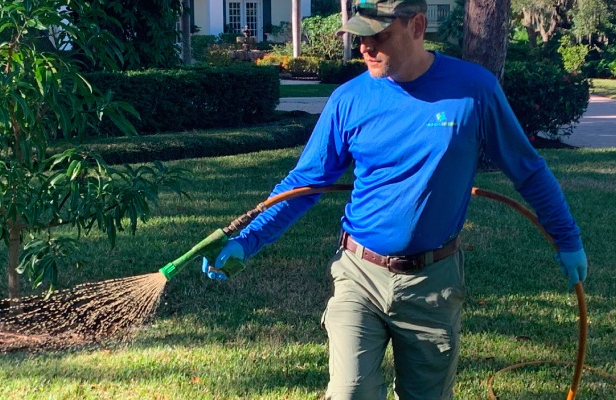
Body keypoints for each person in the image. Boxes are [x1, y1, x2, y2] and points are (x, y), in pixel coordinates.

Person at [202, 0, 588, 398]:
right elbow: (307, 182)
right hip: (359, 273)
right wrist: (247, 239)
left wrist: (567, 238)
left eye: (378, 36)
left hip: (432, 282)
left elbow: (527, 168)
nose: (364, 48)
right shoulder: (349, 99)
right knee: (349, 392)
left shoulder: (473, 91)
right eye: (360, 37)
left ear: (417, 26)